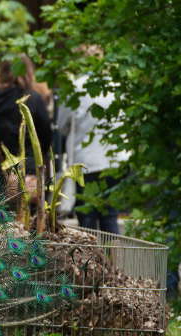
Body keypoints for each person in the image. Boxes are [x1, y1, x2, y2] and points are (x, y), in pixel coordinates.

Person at [57, 71, 128, 234]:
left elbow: (62, 125)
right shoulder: (118, 85)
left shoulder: (75, 87)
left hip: (86, 160)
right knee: (110, 214)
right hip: (116, 159)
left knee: (87, 216)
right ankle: (112, 258)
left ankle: (89, 258)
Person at [0, 55, 52, 181]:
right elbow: (46, 136)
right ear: (27, 71)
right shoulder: (33, 98)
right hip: (28, 170)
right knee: (30, 200)